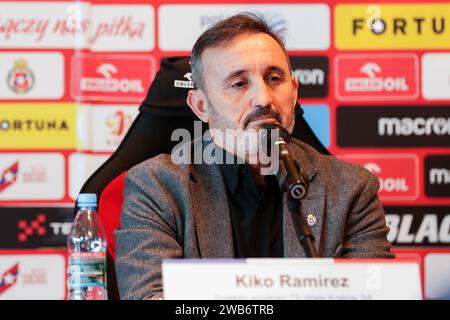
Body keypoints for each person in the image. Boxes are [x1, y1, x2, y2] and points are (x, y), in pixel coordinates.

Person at [114, 13, 393, 300]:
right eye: (238, 84)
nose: (263, 98)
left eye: (274, 78)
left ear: (294, 92)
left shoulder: (353, 188)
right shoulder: (156, 186)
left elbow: (374, 293)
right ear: (200, 105)